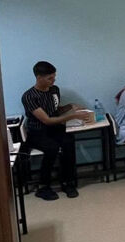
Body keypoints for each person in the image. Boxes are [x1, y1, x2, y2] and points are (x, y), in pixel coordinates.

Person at [21, 61, 90, 201]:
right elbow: (46, 120)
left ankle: (67, 182)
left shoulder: (54, 90)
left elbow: (56, 109)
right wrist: (72, 116)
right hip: (37, 132)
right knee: (51, 148)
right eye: (49, 78)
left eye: (54, 77)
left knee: (68, 142)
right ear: (39, 78)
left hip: (55, 128)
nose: (53, 80)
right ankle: (43, 186)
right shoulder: (29, 96)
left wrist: (71, 106)